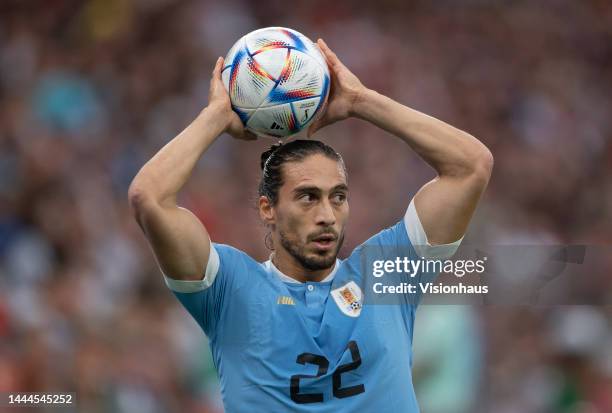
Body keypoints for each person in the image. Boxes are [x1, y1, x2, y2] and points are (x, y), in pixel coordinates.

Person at [128, 38, 493, 412]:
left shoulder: (385, 274)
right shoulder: (228, 288)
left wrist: (363, 102)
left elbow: (471, 166)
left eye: (338, 196)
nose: (326, 214)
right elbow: (148, 197)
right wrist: (215, 118)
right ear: (268, 208)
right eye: (307, 197)